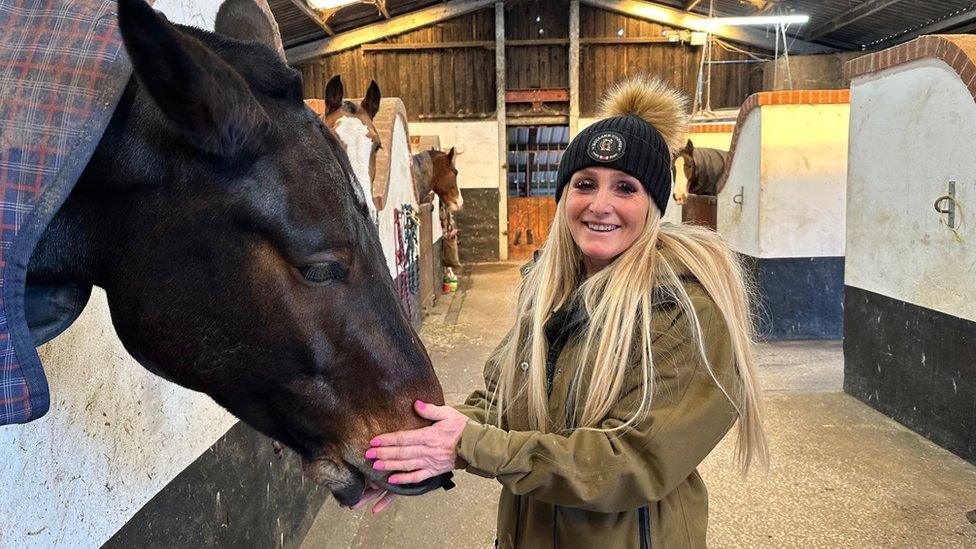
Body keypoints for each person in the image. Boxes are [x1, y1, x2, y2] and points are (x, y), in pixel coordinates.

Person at [356, 74, 769, 548]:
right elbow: (502, 401)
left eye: (625, 188)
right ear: (564, 196)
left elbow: (627, 463)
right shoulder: (548, 294)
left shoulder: (687, 310)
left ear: (654, 204)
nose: (599, 204)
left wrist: (467, 445)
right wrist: (411, 450)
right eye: (585, 183)